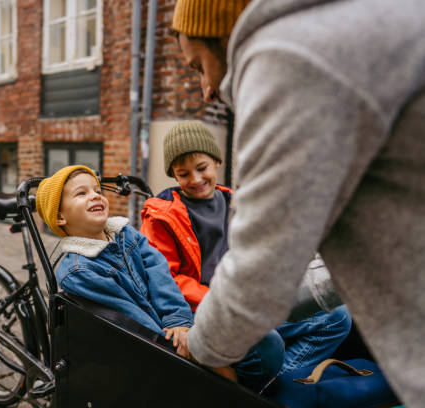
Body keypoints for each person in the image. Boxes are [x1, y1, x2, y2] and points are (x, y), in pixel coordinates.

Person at [170, 1, 425, 406]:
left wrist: (203, 349)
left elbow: (260, 268)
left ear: (224, 35)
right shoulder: (354, 25)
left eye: (199, 66)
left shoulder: (288, 58)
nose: (206, 89)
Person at [141, 120, 351, 391]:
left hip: (251, 300)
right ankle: (259, 388)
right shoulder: (162, 217)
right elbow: (166, 277)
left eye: (201, 168)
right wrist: (222, 300)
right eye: (183, 174)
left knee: (337, 317)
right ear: (175, 176)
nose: (195, 180)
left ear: (216, 162)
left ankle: (270, 386)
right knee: (267, 341)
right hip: (209, 311)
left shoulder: (236, 202)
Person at [35, 165, 194, 344]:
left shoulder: (126, 233)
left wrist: (177, 318)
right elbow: (129, 317)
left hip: (171, 321)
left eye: (97, 190)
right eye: (81, 193)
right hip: (150, 343)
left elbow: (158, 270)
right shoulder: (78, 271)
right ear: (60, 217)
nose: (95, 196)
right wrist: (170, 345)